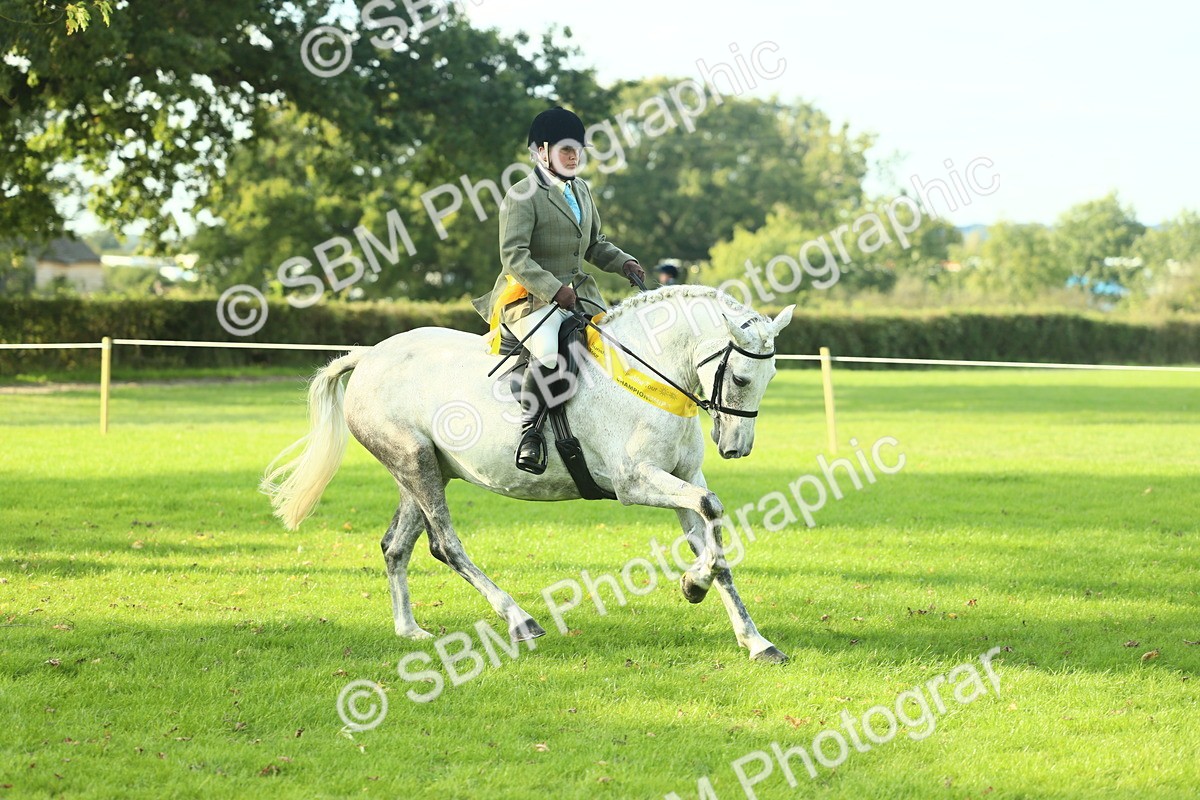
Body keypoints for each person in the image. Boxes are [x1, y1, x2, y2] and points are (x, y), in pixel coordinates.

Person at [472, 106, 645, 474]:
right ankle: (530, 433)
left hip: (580, 294)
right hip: (529, 297)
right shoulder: (522, 195)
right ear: (542, 152)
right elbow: (514, 257)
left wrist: (625, 262)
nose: (574, 156)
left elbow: (594, 244)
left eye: (577, 150)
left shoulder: (580, 190)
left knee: (616, 346)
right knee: (550, 353)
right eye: (566, 149)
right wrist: (553, 290)